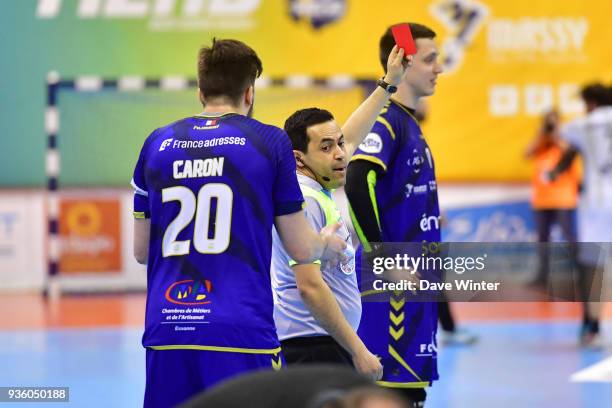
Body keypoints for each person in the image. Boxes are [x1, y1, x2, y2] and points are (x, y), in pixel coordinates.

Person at [131, 38, 347, 407]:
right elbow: (299, 247)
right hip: (240, 329)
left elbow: (141, 251)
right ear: (249, 93)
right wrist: (326, 242)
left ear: (200, 91)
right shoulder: (269, 142)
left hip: (167, 327)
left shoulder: (156, 143)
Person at [271, 46, 408, 381]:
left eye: (340, 144)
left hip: (323, 343)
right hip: (314, 346)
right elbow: (310, 287)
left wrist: (388, 85)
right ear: (298, 158)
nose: (341, 154)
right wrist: (359, 350)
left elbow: (352, 136)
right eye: (326, 147)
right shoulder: (305, 200)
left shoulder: (318, 190)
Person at [344, 23, 444, 407]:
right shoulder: (387, 119)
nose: (439, 68)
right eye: (431, 59)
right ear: (403, 59)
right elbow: (357, 178)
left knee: (409, 393)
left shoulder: (408, 122)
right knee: (389, 394)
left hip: (414, 282)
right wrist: (382, 256)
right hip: (394, 289)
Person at [553, 83, 612, 347]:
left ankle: (592, 327)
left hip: (597, 204)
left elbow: (559, 134)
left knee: (594, 266)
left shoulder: (583, 124)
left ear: (590, 102)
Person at [524, 109, 581, 287]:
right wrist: (542, 134)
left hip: (563, 198)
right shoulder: (542, 144)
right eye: (548, 123)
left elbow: (571, 154)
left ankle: (582, 273)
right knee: (542, 239)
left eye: (553, 122)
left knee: (569, 236)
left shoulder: (566, 141)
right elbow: (526, 153)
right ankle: (542, 275)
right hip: (542, 200)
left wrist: (557, 134)